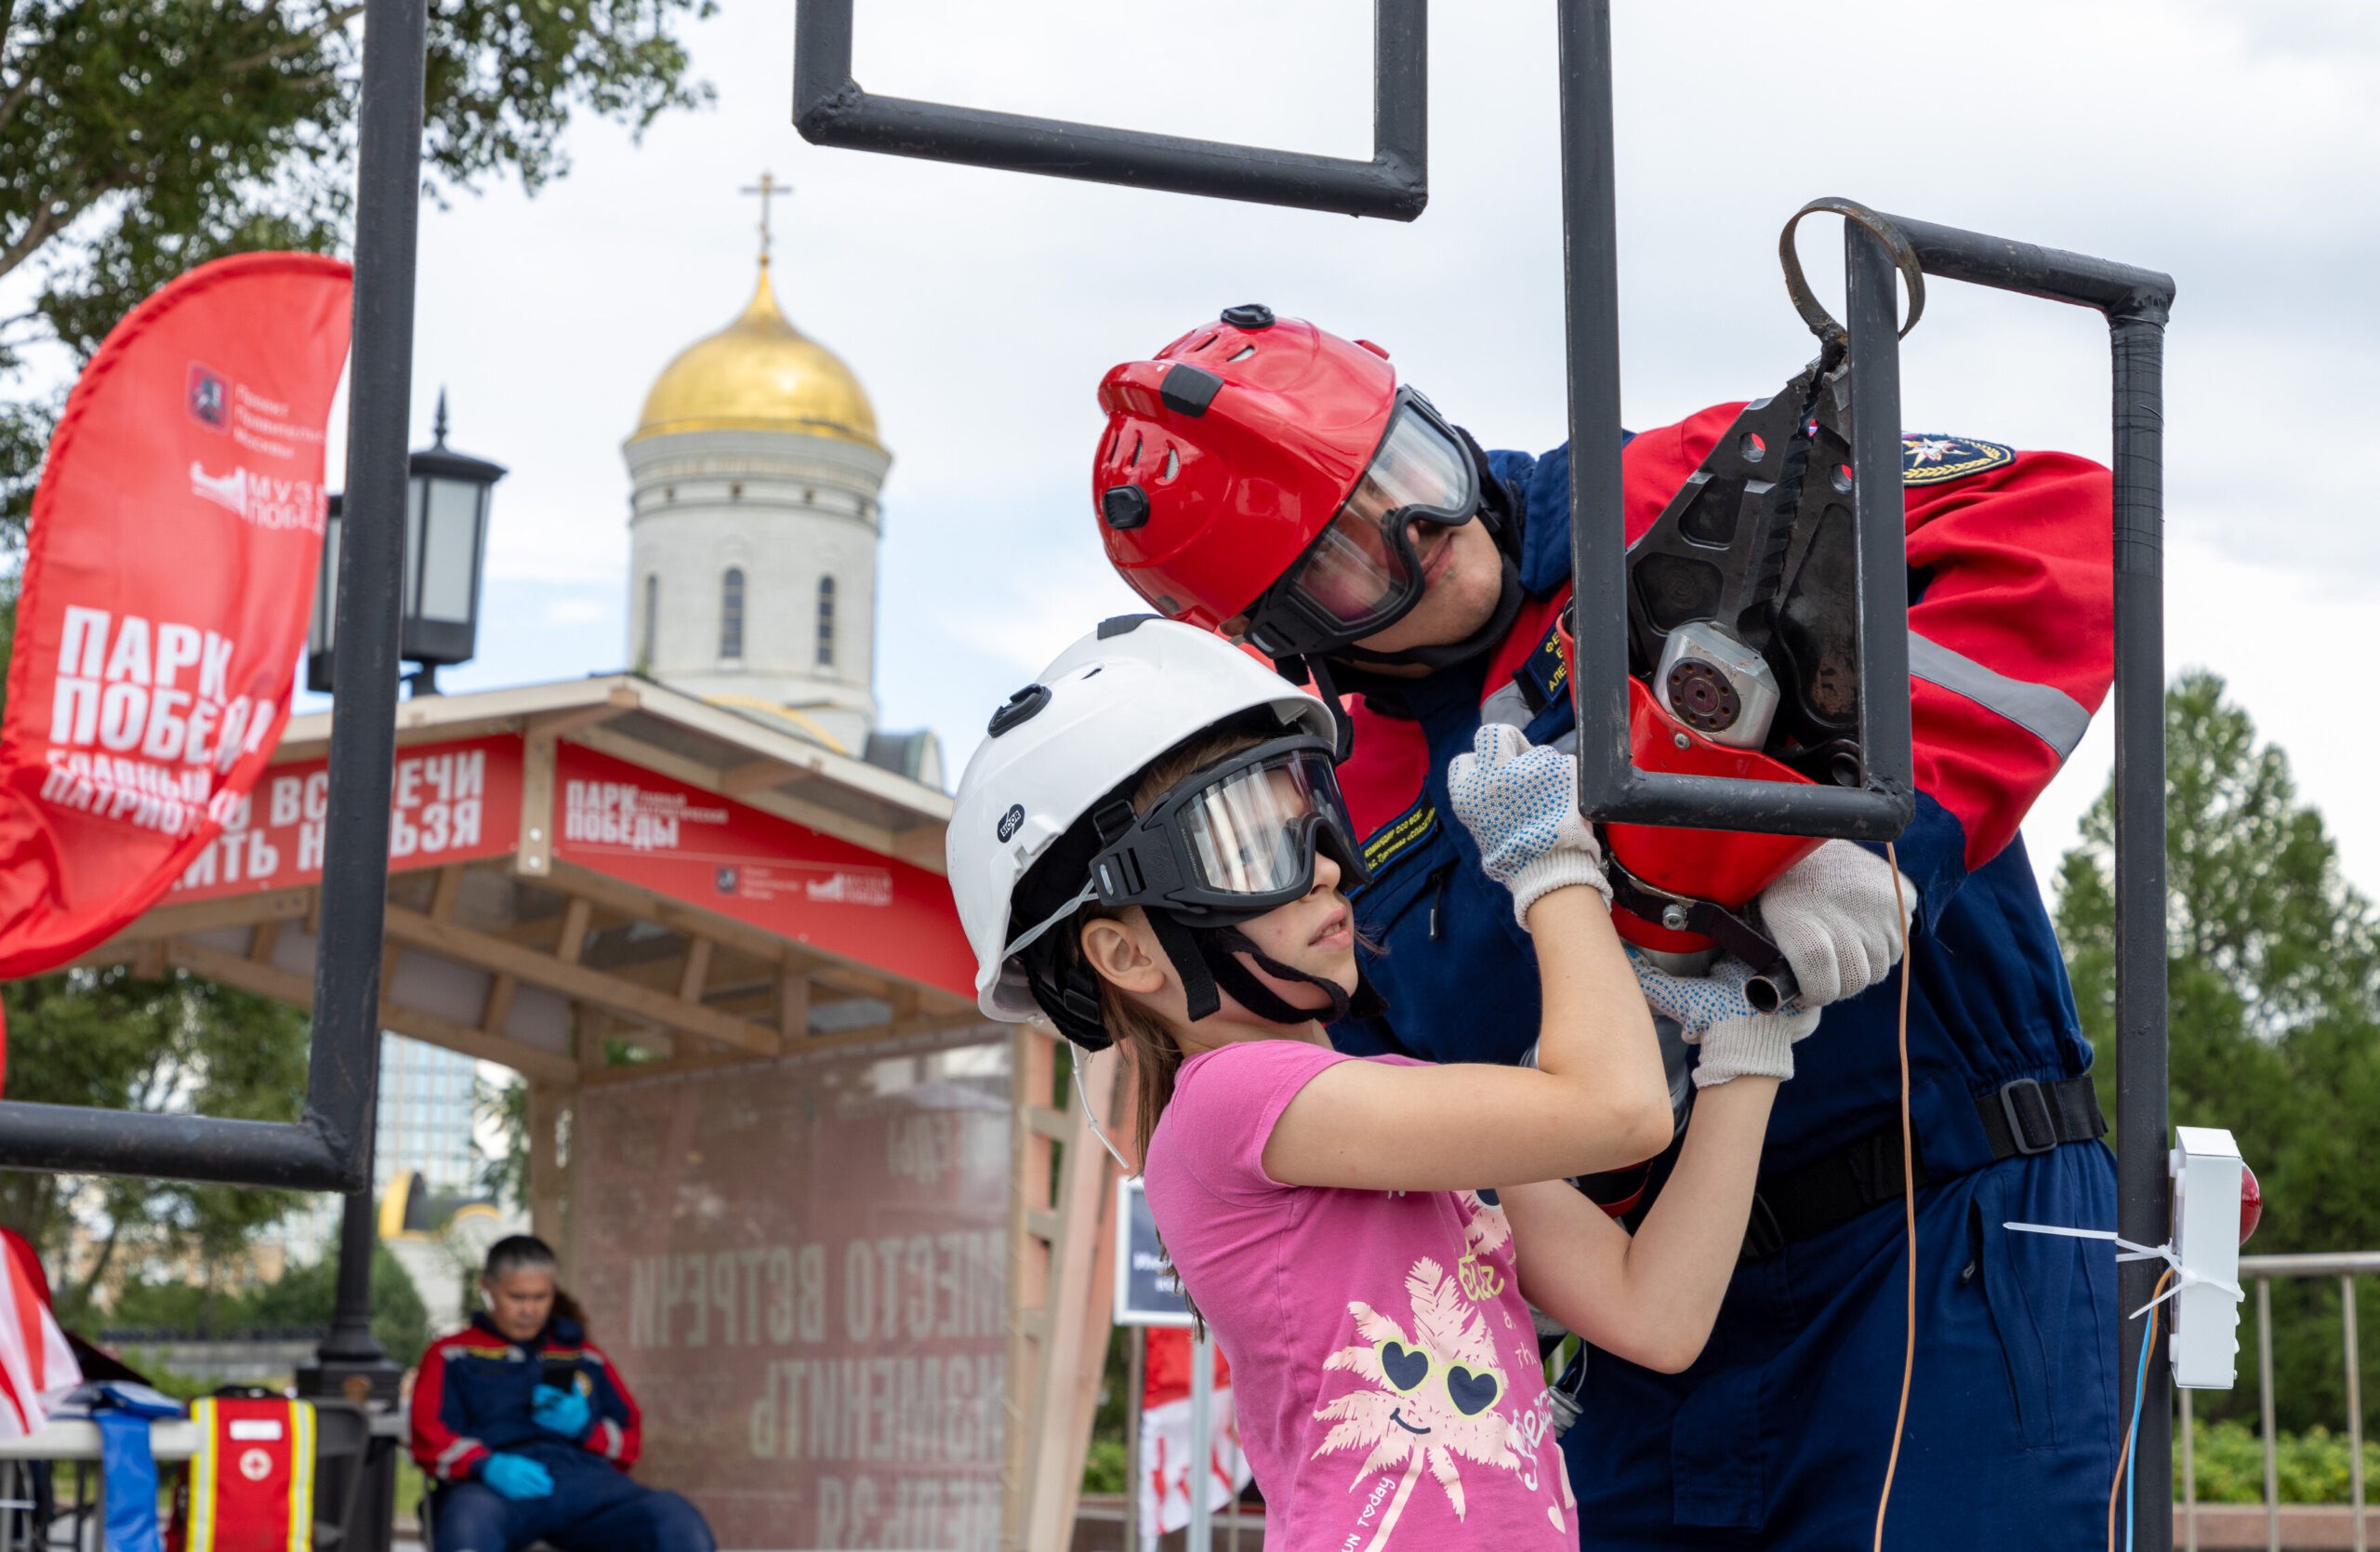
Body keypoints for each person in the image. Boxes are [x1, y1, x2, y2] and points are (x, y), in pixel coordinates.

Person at [1089, 310, 2120, 1549]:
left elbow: (2063, 528)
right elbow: (1380, 1108)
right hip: (1658, 1312)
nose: (1430, 538)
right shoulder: (1332, 813)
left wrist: (1891, 842)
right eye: (1354, 558)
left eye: (1408, 477)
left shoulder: (1677, 490)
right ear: (1284, 634)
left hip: (1939, 1232)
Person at [951, 616, 1858, 1549]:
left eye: (1314, 817)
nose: (1329, 871)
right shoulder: (1232, 1101)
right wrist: (1548, 861)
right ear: (1122, 951)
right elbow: (1616, 1107)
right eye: (1243, 845)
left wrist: (1751, 1040)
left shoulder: (1386, 1115)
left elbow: (1654, 1312)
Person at [411, 1236, 713, 1552]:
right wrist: (484, 1465)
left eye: (541, 1297)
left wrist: (586, 1429)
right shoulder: (451, 1354)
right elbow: (426, 1435)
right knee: (467, 1526)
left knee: (674, 1517)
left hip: (585, 1483)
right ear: (487, 1287)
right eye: (517, 1297)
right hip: (492, 1486)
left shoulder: (584, 1355)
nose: (529, 1310)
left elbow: (629, 1440)